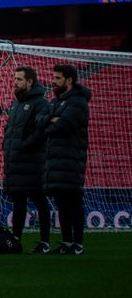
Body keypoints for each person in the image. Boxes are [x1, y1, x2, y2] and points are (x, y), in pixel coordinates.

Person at [39, 63, 91, 255]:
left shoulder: (78, 102)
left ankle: (78, 244)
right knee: (61, 202)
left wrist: (51, 122)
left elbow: (62, 126)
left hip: (72, 159)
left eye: (58, 78)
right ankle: (67, 242)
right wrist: (51, 120)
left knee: (73, 201)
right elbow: (40, 120)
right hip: (55, 160)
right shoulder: (55, 101)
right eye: (53, 77)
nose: (53, 81)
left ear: (69, 80)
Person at [2, 65, 52, 253]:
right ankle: (16, 240)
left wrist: (24, 146)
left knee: (39, 200)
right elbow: (10, 130)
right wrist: (7, 146)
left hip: (33, 161)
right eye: (14, 78)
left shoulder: (41, 103)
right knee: (18, 201)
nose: (15, 82)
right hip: (16, 161)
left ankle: (45, 241)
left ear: (30, 81)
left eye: (19, 79)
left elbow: (41, 132)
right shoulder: (15, 104)